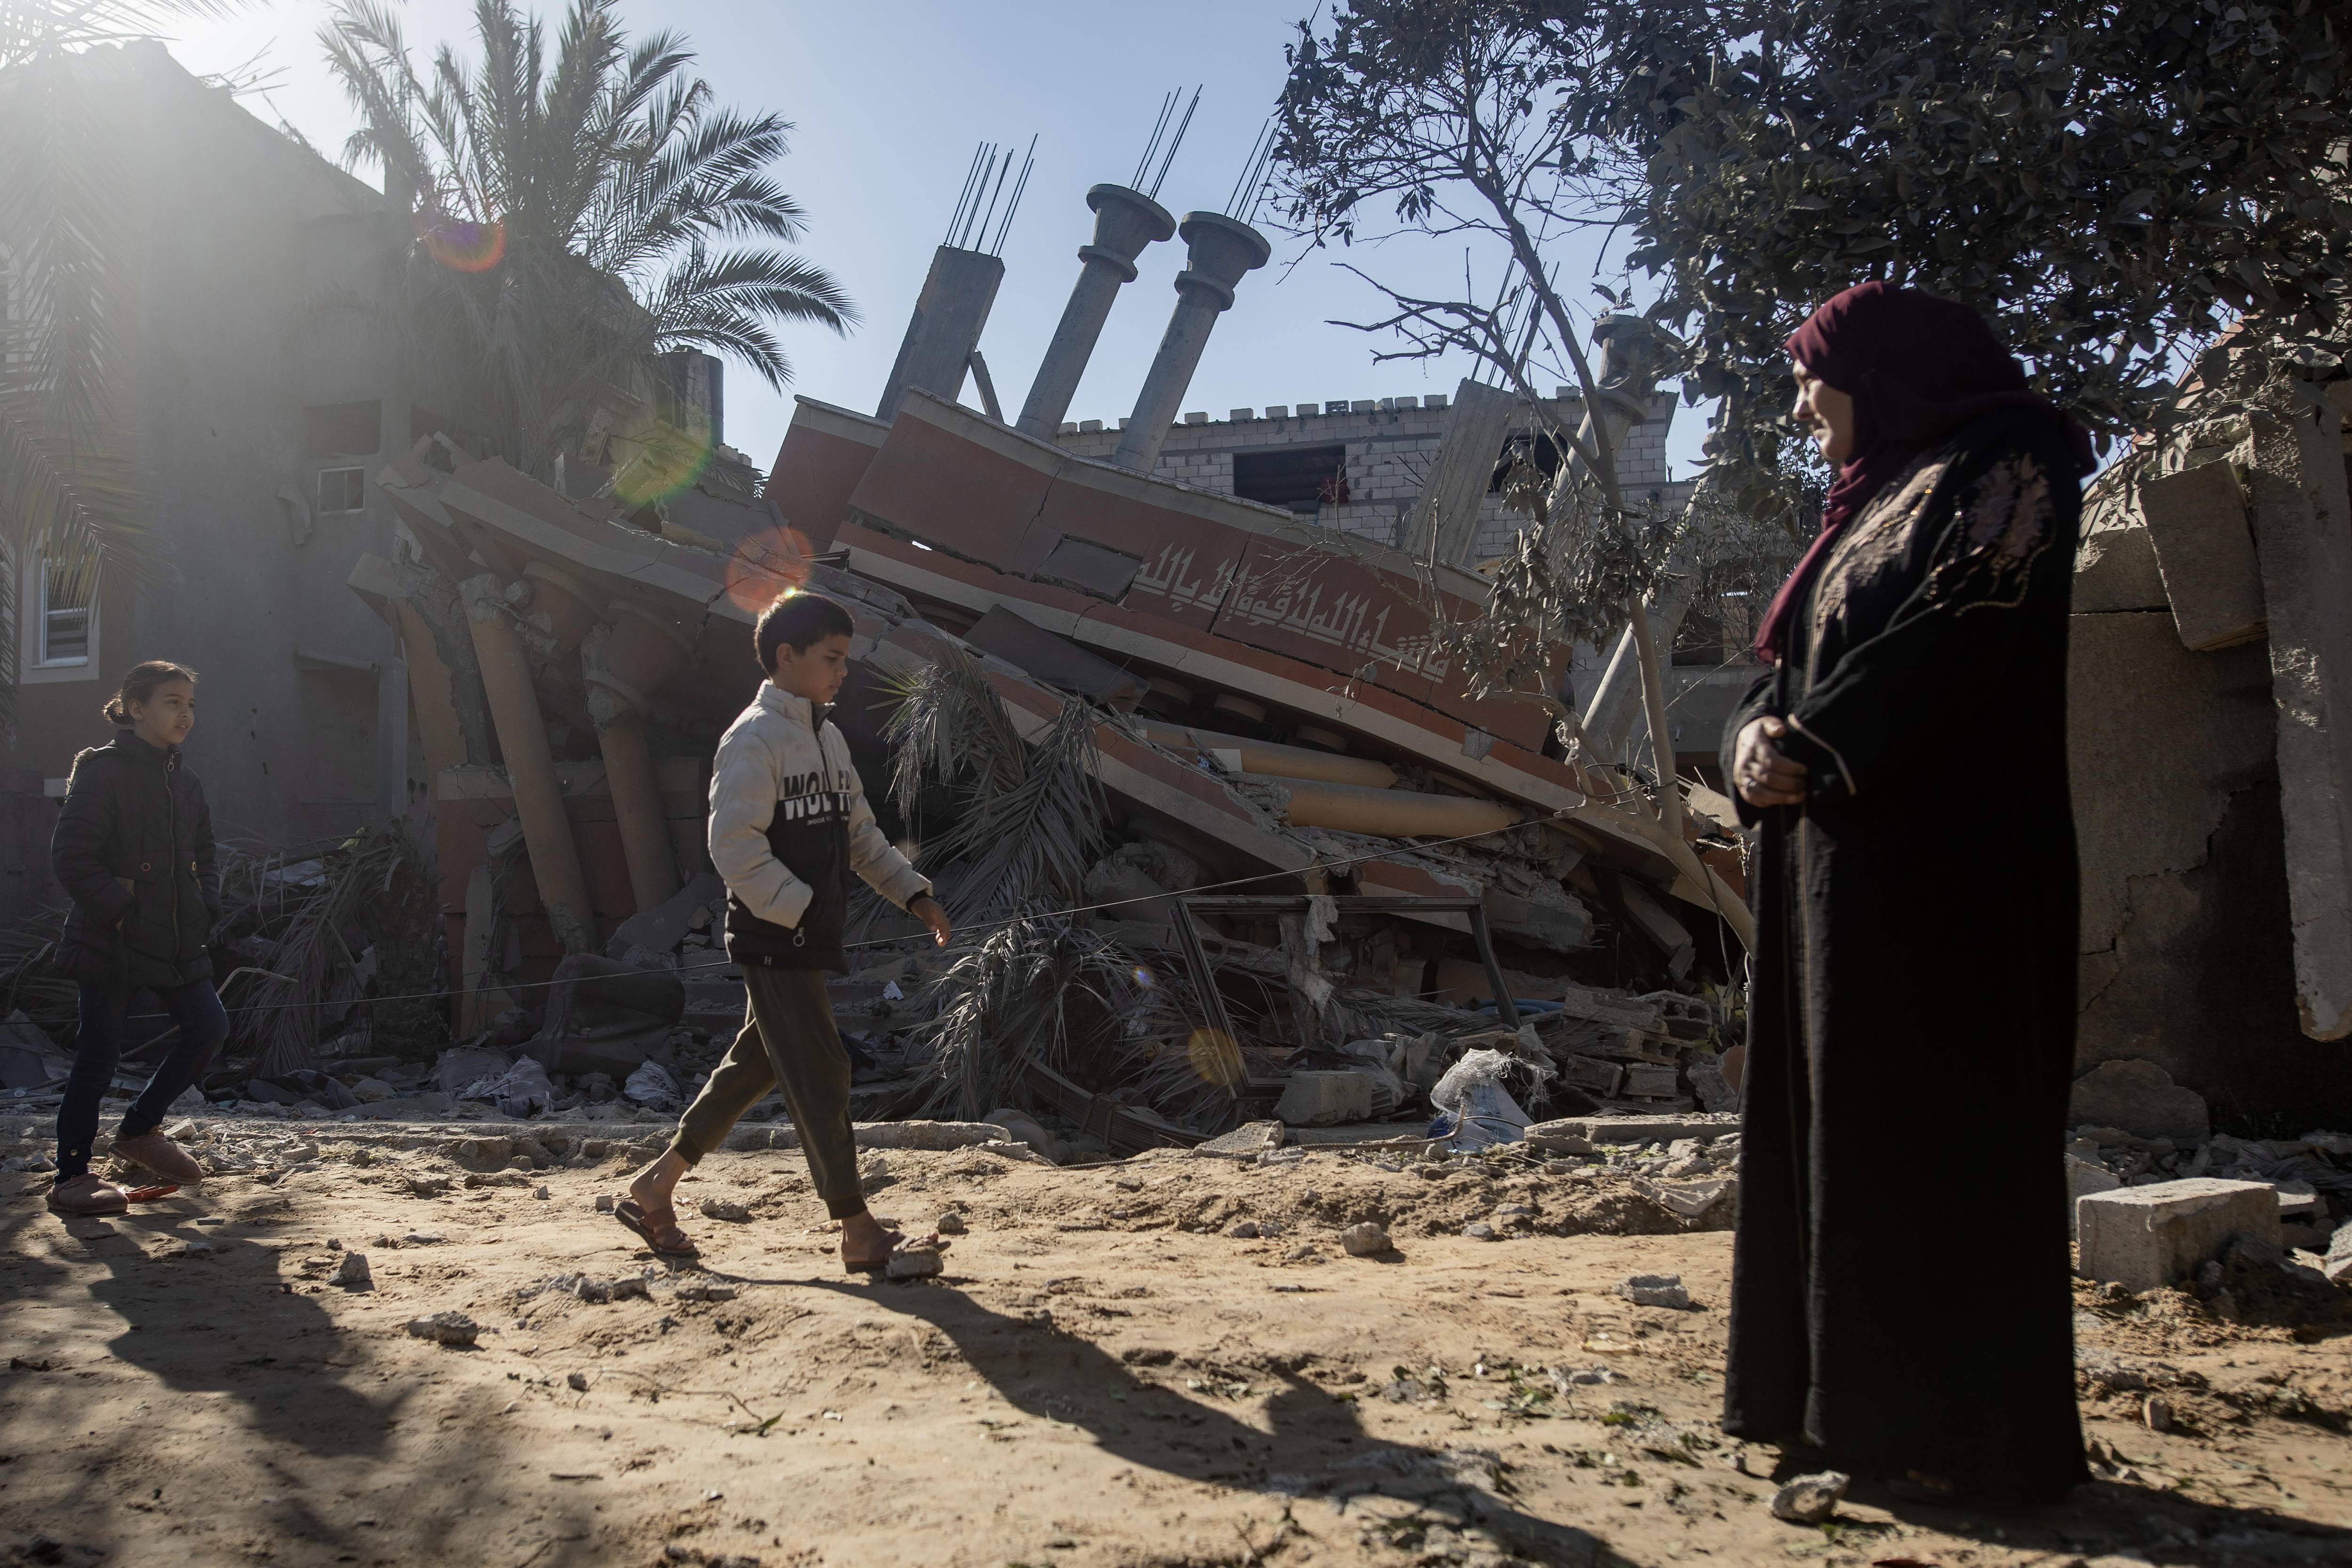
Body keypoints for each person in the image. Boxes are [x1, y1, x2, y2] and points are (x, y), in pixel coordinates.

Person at [1720, 282, 2097, 1506]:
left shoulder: (2014, 457)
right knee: (1845, 1135)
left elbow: (1963, 625)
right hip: (1837, 880)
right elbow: (1787, 663)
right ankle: (1849, 1414)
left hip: (1956, 889)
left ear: (1878, 371)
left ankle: (1962, 1439)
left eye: (1808, 371)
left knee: (1940, 1136)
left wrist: (1815, 746)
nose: (1796, 399)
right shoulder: (1865, 500)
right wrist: (1751, 745)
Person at [618, 592, 951, 1271]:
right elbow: (731, 844)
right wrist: (799, 908)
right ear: (786, 657)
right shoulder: (754, 738)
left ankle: (655, 1187)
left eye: (844, 660)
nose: (841, 672)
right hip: (775, 936)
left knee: (759, 1064)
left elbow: (861, 837)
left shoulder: (826, 740)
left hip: (805, 935)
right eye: (831, 659)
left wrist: (914, 894)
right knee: (823, 1067)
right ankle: (857, 1229)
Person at [46, 661, 226, 1217]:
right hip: (112, 941)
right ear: (135, 708)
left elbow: (206, 856)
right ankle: (72, 1175)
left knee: (209, 1027)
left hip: (176, 941)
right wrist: (124, 915)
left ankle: (139, 1133)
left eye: (191, 703)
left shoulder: (186, 780)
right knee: (98, 1056)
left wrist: (205, 906)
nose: (185, 714)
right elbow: (73, 858)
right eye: (172, 702)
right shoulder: (104, 771)